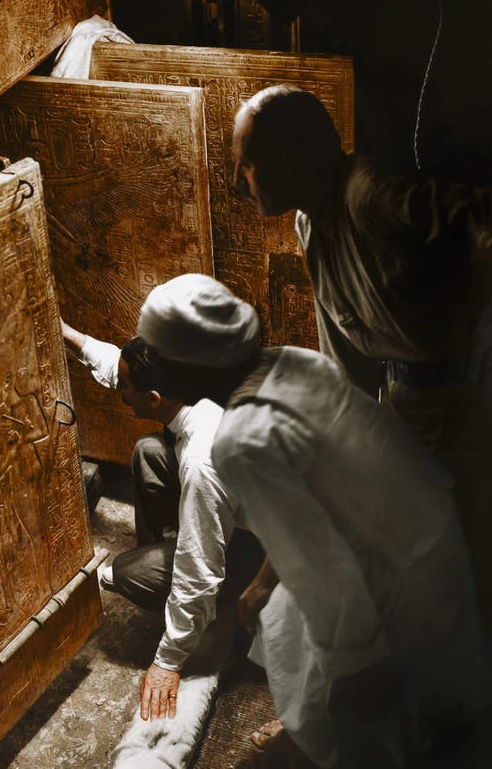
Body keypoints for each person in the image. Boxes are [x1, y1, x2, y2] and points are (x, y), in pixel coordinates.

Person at [135, 272, 489, 768]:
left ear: (187, 365)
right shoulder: (292, 362)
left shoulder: (242, 440)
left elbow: (329, 576)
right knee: (278, 614)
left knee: (374, 728)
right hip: (429, 525)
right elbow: (316, 506)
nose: (148, 365)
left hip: (392, 572)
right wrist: (262, 582)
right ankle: (314, 723)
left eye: (154, 354)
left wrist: (355, 678)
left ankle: (332, 733)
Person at [232, 83, 492, 625]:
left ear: (288, 157)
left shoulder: (370, 196)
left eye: (248, 164)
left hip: (468, 414)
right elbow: (345, 375)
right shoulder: (310, 226)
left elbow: (479, 223)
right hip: (407, 412)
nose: (240, 183)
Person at [60, 320, 264, 722]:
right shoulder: (193, 383)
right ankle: (173, 558)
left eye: (125, 388)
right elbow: (126, 365)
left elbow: (199, 571)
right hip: (248, 513)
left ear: (154, 399)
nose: (121, 395)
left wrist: (168, 662)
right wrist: (75, 339)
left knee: (128, 572)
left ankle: (212, 607)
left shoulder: (203, 462)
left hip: (271, 557)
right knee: (150, 451)